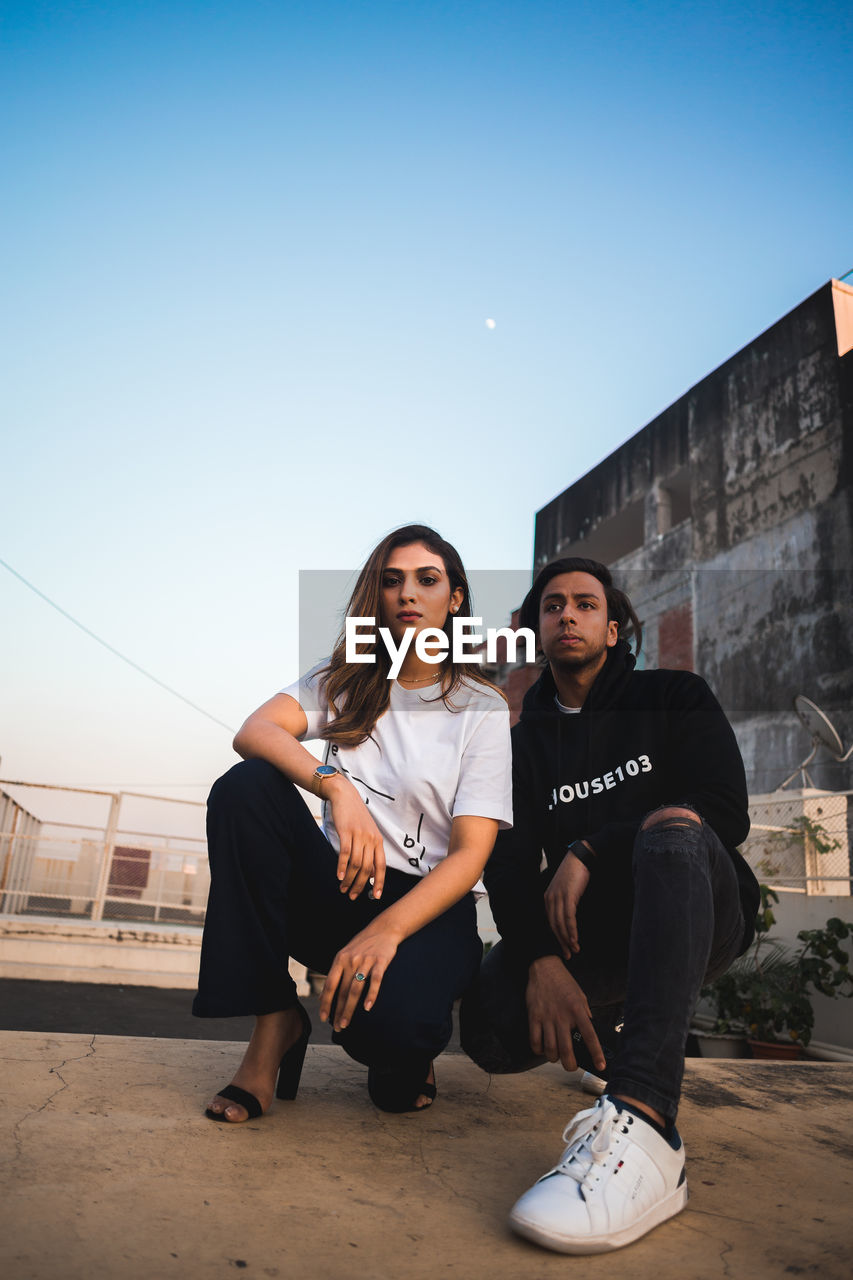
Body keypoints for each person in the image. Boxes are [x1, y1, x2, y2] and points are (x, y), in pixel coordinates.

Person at [460, 556, 760, 1253]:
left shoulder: (675, 695)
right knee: (488, 1028)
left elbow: (724, 811)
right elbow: (505, 863)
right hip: (597, 940)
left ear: (613, 626)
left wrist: (593, 845)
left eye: (585, 604)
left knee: (673, 830)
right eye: (553, 605)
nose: (567, 614)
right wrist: (540, 962)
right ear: (537, 628)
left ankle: (646, 1121)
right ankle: (613, 1026)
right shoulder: (522, 746)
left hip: (701, 909)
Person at [193, 524, 511, 1120]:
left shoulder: (481, 706)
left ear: (457, 598)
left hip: (426, 908)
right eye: (392, 581)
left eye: (427, 579)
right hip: (341, 885)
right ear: (378, 596)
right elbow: (253, 732)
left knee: (391, 1045)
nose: (408, 594)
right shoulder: (343, 679)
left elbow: (471, 855)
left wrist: (387, 931)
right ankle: (274, 1027)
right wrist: (334, 786)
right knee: (247, 787)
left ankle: (404, 1050)